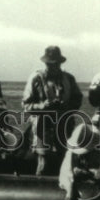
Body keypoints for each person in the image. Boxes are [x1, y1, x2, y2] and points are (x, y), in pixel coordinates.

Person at [22, 45, 83, 176]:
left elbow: (77, 99)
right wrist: (43, 106)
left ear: (60, 63)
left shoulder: (69, 79)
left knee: (66, 158)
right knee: (43, 160)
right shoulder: (36, 78)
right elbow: (26, 105)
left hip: (64, 124)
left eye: (55, 64)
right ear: (45, 63)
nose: (52, 66)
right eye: (49, 64)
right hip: (42, 125)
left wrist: (66, 107)